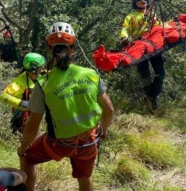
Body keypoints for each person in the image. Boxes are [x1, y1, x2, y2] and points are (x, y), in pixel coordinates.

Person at [17, 22, 114, 191]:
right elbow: (109, 110)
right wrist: (103, 130)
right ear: (72, 49)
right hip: (89, 141)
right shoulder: (90, 74)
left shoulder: (43, 83)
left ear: (50, 50)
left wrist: (23, 148)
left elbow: (32, 126)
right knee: (85, 178)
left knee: (27, 158)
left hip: (60, 144)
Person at [120, 0, 165, 114]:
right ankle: (150, 99)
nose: (143, 0)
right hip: (138, 48)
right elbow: (125, 28)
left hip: (153, 46)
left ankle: (152, 97)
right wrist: (124, 38)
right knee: (145, 76)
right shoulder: (131, 17)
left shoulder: (152, 15)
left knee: (161, 73)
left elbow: (160, 27)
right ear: (135, 2)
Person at [0, 52, 46, 134]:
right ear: (33, 69)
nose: (43, 68)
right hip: (22, 120)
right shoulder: (20, 82)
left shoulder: (41, 75)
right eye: (41, 67)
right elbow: (3, 96)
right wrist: (23, 104)